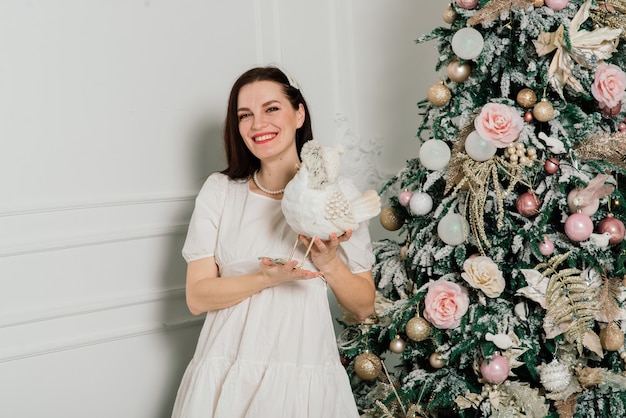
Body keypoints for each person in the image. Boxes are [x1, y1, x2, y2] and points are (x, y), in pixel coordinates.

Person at [171, 66, 376, 418]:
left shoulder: (337, 195)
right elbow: (197, 297)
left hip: (303, 374)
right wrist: (267, 278)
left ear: (299, 114)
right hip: (226, 371)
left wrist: (328, 263)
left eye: (271, 109)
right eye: (245, 115)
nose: (257, 124)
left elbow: (364, 307)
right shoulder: (220, 192)